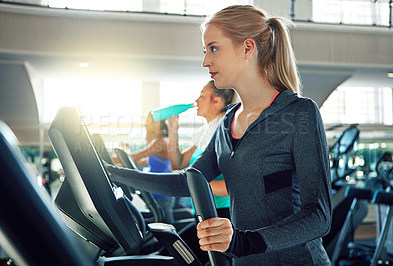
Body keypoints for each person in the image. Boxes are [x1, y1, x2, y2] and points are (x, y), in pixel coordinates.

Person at [106, 5, 332, 265]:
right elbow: (188, 182)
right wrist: (112, 174)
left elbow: (318, 215)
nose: (205, 61)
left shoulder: (298, 113)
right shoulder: (228, 121)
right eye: (205, 51)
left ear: (248, 48)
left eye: (213, 48)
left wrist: (243, 242)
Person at [167, 80, 235, 219]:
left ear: (217, 101)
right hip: (200, 208)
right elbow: (178, 163)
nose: (197, 100)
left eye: (202, 95)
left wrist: (195, 183)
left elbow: (236, 186)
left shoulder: (225, 131)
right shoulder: (205, 132)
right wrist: (173, 131)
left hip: (222, 212)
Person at [130, 112, 175, 224]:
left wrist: (102, 159)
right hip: (154, 192)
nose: (146, 124)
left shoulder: (161, 142)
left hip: (162, 193)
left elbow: (135, 156)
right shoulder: (159, 141)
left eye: (149, 121)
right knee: (156, 226)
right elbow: (140, 162)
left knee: (165, 228)